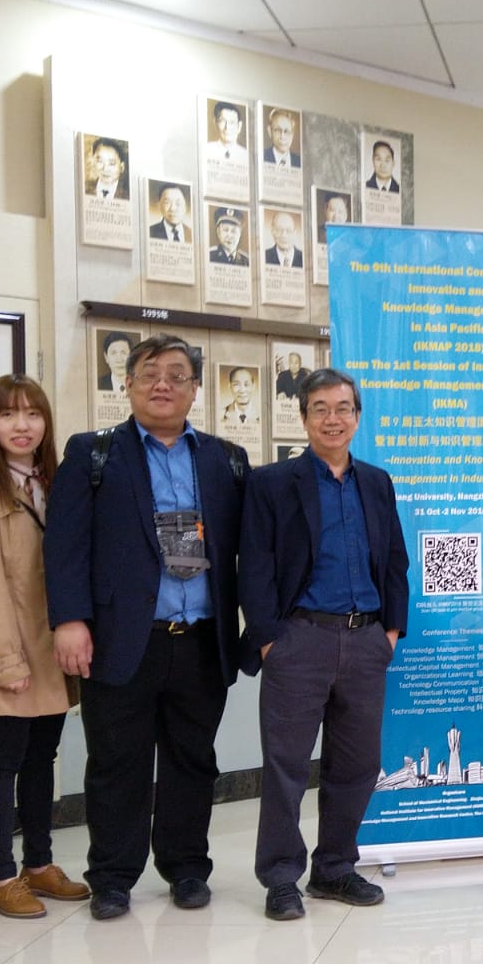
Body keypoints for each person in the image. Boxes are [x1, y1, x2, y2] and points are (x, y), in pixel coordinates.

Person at [45, 334, 248, 919]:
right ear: (127, 383)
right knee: (116, 763)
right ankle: (112, 876)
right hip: (121, 639)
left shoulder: (225, 460)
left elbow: (251, 550)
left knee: (193, 760)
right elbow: (65, 546)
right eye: (150, 373)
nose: (163, 384)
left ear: (195, 388)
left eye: (178, 374)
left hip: (200, 639)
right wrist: (69, 621)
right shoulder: (93, 454)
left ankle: (187, 869)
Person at [239, 368, 409, 921]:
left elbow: (396, 562)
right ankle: (280, 877)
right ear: (304, 416)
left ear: (357, 417)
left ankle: (334, 868)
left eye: (342, 408)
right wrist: (270, 641)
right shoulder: (272, 484)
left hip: (365, 642)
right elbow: (255, 567)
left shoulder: (377, 483)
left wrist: (390, 633)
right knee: (286, 766)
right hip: (299, 642)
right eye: (320, 408)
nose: (332, 419)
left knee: (357, 764)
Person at [0, 376, 90, 919]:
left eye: (32, 414)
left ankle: (39, 863)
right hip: (8, 646)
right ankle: (1, 877)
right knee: (4, 760)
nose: (22, 425)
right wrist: (6, 661)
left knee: (42, 758)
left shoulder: (53, 480)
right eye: (8, 415)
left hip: (52, 643)